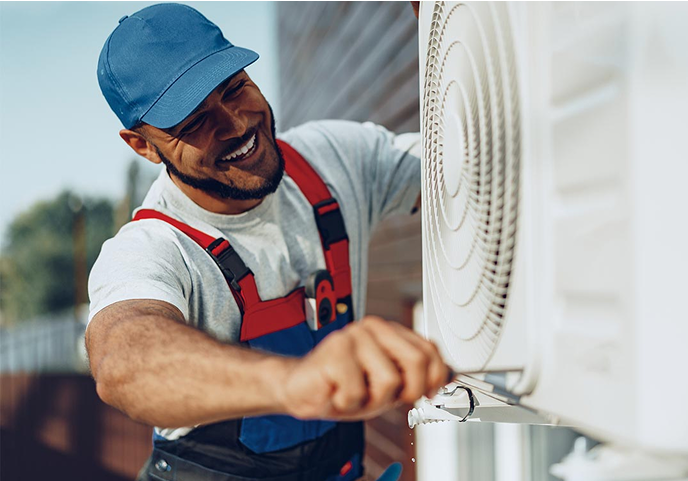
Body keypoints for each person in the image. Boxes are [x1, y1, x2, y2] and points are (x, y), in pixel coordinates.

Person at [86, 3, 447, 481]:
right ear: (143, 145)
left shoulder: (333, 160)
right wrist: (296, 381)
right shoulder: (153, 247)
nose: (235, 124)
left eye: (234, 88)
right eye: (192, 123)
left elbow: (469, 167)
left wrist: (453, 29)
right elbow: (124, 362)